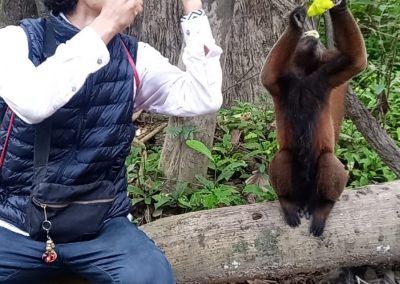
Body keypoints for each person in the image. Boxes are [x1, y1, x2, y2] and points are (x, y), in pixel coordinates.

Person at [0, 0, 223, 283]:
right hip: (13, 224)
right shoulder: (15, 41)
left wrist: (193, 8)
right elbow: (33, 103)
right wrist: (104, 26)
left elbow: (204, 97)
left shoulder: (135, 58)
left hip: (102, 224)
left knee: (150, 275)